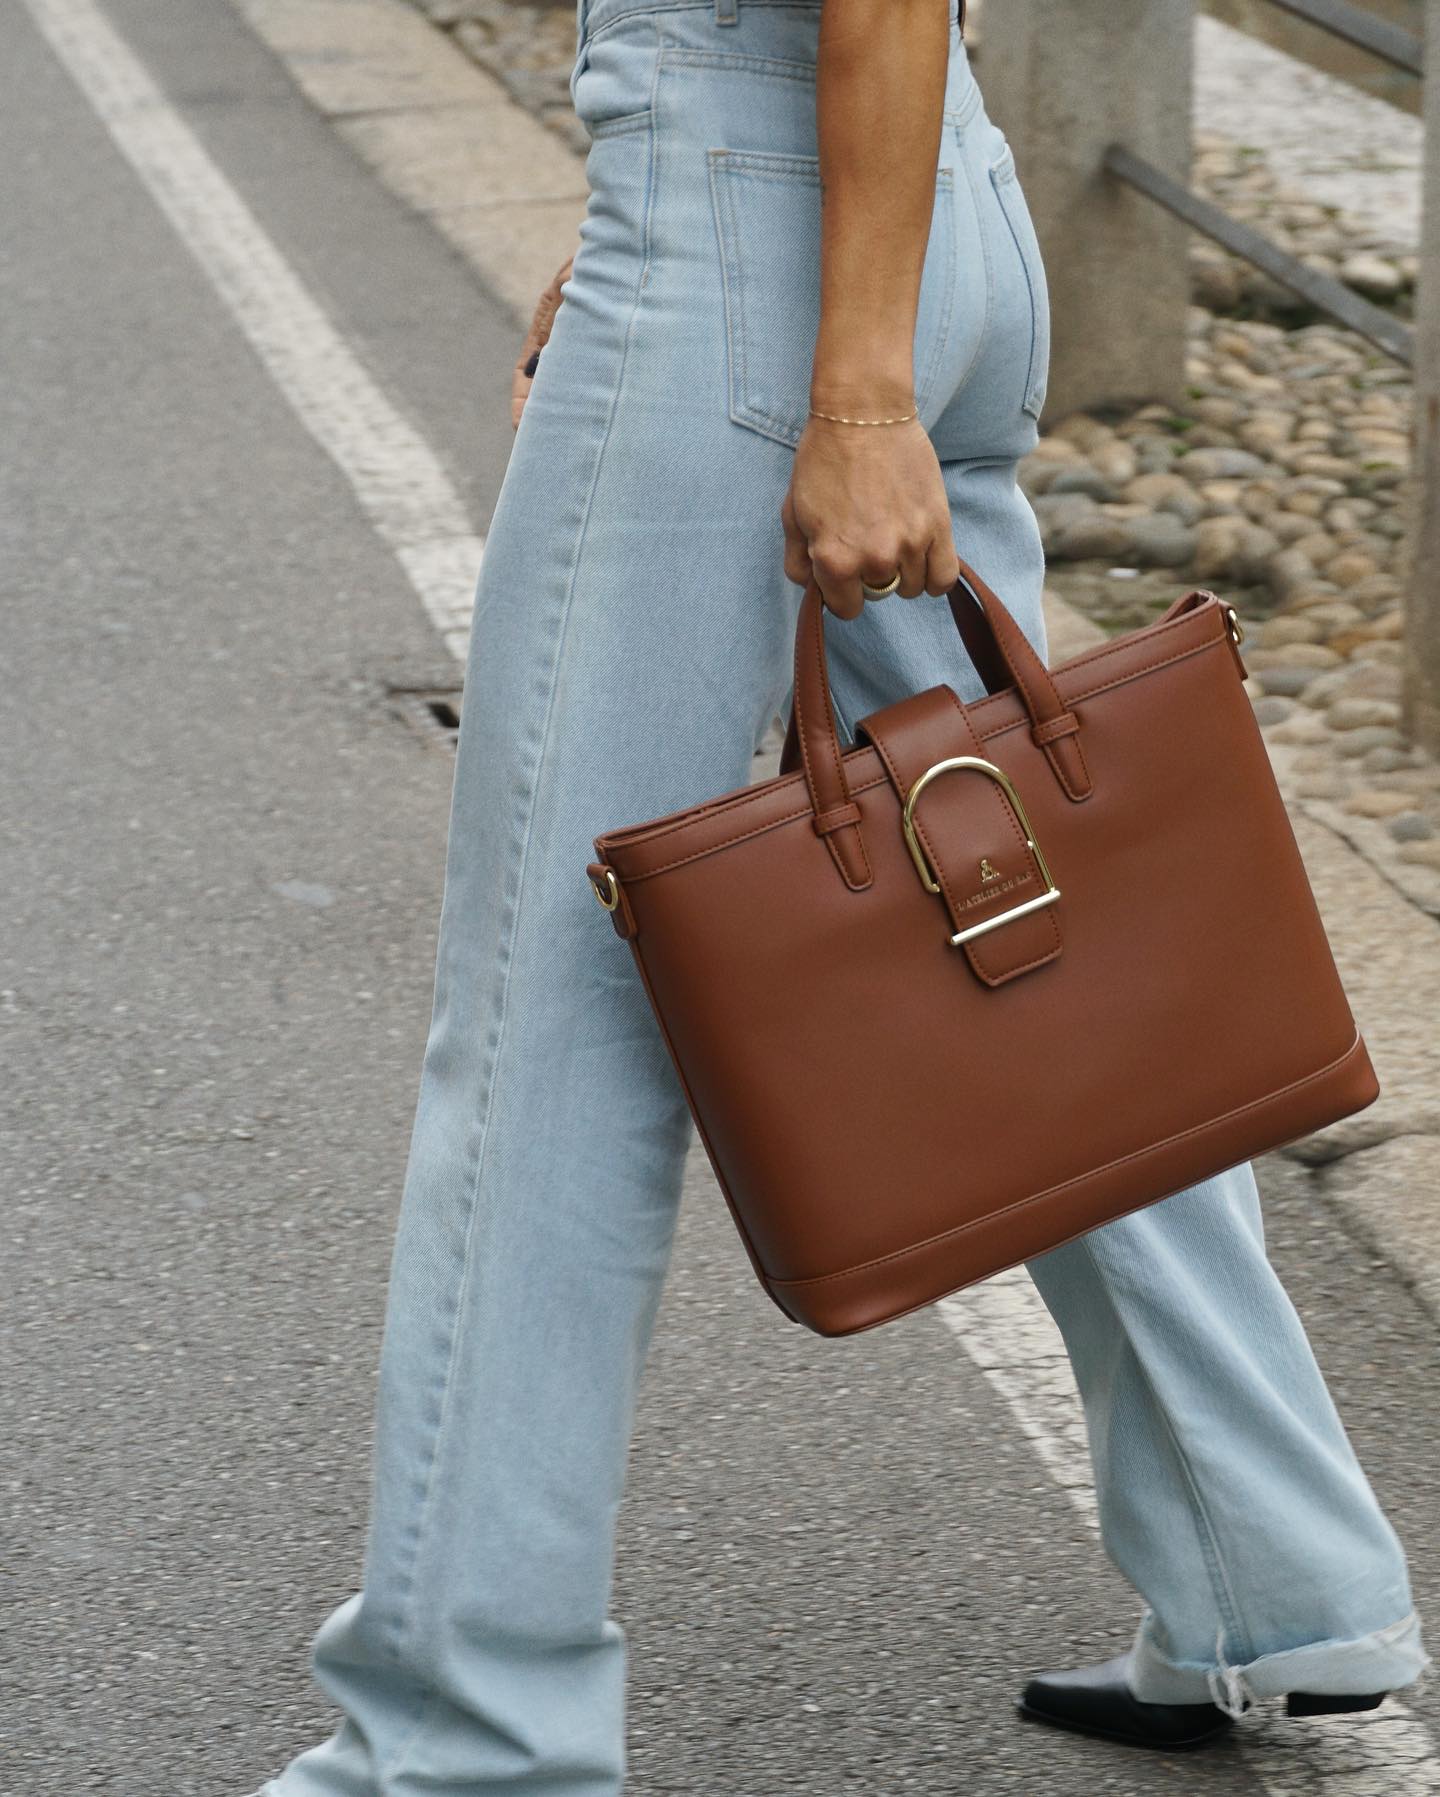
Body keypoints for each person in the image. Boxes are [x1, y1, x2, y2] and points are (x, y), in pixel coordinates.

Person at [253, 1, 1427, 1788]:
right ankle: (1272, 1575)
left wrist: (835, 373)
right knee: (1048, 948)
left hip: (781, 240)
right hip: (916, 189)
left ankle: (466, 1721)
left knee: (548, 1018)